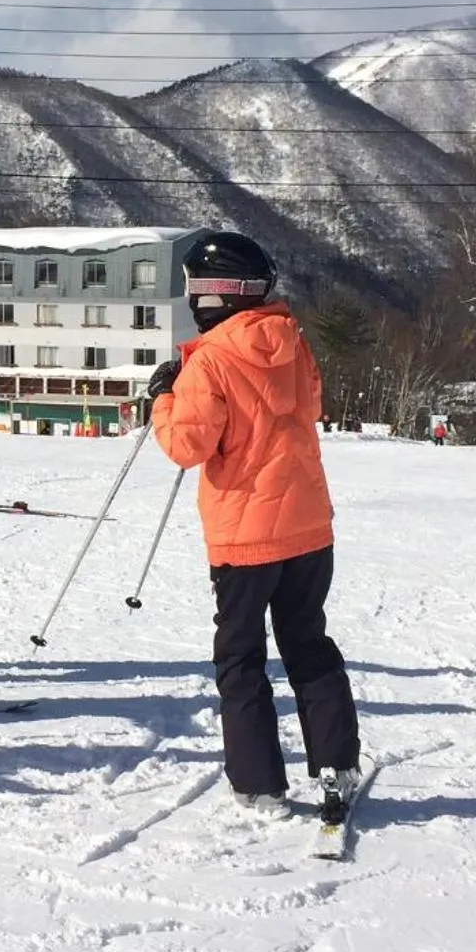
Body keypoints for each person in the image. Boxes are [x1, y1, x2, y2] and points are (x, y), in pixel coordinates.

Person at [146, 230, 363, 826]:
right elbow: (311, 404)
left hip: (245, 536)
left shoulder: (209, 359)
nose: (191, 299)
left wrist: (163, 398)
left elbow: (186, 446)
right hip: (307, 527)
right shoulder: (290, 340)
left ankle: (259, 782)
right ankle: (338, 762)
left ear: (217, 294)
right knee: (307, 643)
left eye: (194, 289)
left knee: (241, 657)